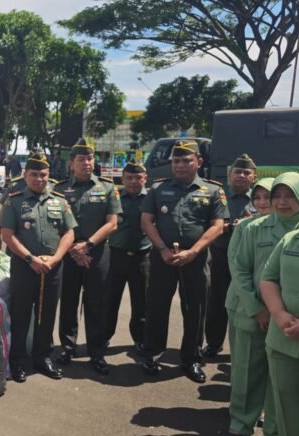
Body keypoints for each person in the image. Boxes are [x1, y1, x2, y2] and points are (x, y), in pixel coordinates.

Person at [225, 174, 299, 436]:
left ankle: (276, 434)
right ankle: (240, 425)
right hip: (253, 313)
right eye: (277, 196)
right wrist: (258, 309)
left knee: (282, 382)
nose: (282, 202)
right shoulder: (254, 228)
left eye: (290, 196)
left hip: (291, 322)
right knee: (246, 371)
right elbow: (240, 271)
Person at [140, 140, 227, 383]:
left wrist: (194, 251)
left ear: (199, 162)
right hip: (162, 258)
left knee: (195, 310)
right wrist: (162, 249)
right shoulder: (157, 189)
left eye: (186, 160)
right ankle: (152, 354)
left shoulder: (212, 190)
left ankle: (191, 359)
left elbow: (217, 226)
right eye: (176, 161)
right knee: (156, 307)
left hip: (196, 260)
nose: (179, 165)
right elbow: (146, 221)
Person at [0, 152, 77, 383]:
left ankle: (43, 357)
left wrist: (56, 259)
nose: (39, 179)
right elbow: (7, 235)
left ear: (48, 175)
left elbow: (69, 233)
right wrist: (31, 259)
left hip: (52, 268)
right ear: (25, 175)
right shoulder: (14, 201)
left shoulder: (59, 201)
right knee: (21, 313)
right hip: (24, 267)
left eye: (43, 175)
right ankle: (17, 360)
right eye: (34, 174)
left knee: (47, 314)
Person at [53, 138, 121, 375]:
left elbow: (112, 223)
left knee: (96, 303)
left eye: (90, 158)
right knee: (68, 301)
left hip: (97, 253)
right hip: (68, 254)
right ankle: (67, 347)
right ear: (71, 163)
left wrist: (88, 245)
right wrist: (74, 249)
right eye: (81, 159)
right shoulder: (58, 189)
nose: (87, 163)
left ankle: (96, 351)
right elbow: (56, 224)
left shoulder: (108, 188)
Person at [259, 184, 299, 436]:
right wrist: (279, 313)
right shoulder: (292, 239)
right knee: (288, 414)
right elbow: (269, 278)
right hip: (285, 342)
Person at [204, 154, 258, 358]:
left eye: (246, 172)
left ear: (254, 177)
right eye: (238, 172)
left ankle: (244, 348)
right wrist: (227, 226)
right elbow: (206, 224)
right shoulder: (218, 196)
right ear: (229, 175)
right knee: (217, 301)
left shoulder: (260, 197)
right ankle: (213, 343)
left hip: (249, 259)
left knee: (247, 303)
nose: (241, 176)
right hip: (220, 255)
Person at [104, 161, 150, 351]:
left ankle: (140, 339)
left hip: (143, 256)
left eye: (138, 178)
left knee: (142, 301)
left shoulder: (152, 198)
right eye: (129, 178)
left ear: (145, 179)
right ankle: (104, 337)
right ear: (122, 179)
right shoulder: (114, 197)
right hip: (116, 255)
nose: (133, 181)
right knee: (109, 300)